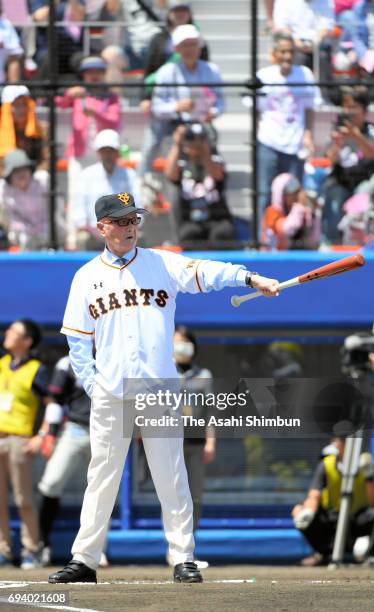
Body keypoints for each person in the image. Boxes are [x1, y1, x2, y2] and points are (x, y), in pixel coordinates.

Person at [48, 191, 280, 584]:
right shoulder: (86, 276)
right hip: (112, 390)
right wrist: (93, 385)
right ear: (101, 227)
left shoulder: (160, 263)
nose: (129, 227)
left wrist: (249, 277)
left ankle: (183, 556)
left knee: (170, 474)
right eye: (120, 221)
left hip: (158, 387)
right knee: (101, 474)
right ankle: (85, 559)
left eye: (134, 220)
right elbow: (76, 341)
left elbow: (206, 270)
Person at [38, 354, 109, 568]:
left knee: (104, 490)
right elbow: (55, 400)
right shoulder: (69, 361)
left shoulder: (117, 355)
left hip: (108, 429)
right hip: (75, 429)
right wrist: (50, 433)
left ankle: (97, 549)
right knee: (50, 483)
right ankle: (44, 543)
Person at [138, 23, 224, 181]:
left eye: (193, 44)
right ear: (176, 48)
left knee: (211, 147)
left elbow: (220, 101)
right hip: (172, 126)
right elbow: (156, 107)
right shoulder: (166, 72)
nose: (190, 49)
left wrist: (214, 112)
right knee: (155, 143)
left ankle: (210, 186)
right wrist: (176, 107)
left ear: (200, 47)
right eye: (185, 45)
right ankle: (143, 179)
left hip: (202, 126)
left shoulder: (212, 70)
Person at [256, 32, 322, 235]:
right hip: (269, 141)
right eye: (283, 51)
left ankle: (292, 238)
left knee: (294, 194)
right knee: (265, 193)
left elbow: (309, 107)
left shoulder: (305, 74)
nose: (287, 56)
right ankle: (264, 239)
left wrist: (308, 134)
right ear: (274, 53)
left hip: (295, 143)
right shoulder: (264, 76)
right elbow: (256, 109)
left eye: (290, 51)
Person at [0, 319, 49, 569]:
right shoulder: (1, 365)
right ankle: (4, 549)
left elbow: (51, 403)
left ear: (27, 341)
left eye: (13, 331)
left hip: (19, 440)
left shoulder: (37, 369)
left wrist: (41, 434)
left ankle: (31, 549)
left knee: (23, 499)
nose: (7, 334)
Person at [292, 436, 374, 566]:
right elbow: (314, 495)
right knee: (299, 511)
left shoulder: (364, 463)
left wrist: (369, 478)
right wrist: (307, 511)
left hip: (357, 521)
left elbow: (371, 501)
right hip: (333, 521)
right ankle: (323, 554)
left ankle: (370, 555)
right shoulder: (326, 465)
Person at [55, 56, 121, 207]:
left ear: (104, 74)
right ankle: (77, 229)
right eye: (89, 72)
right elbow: (57, 102)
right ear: (84, 75)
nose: (94, 76)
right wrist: (68, 93)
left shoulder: (111, 97)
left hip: (103, 155)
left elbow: (114, 121)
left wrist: (96, 114)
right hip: (80, 155)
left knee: (103, 194)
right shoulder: (78, 94)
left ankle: (104, 229)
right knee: (76, 194)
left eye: (98, 71)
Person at [164, 123, 235, 247]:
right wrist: (178, 143)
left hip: (217, 218)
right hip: (191, 220)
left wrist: (204, 149)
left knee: (222, 233)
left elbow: (217, 175)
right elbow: (170, 174)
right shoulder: (181, 163)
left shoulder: (215, 161)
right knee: (189, 234)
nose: (195, 144)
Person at [173, 326, 215, 534]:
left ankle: (189, 542)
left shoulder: (203, 375)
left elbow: (210, 411)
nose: (181, 347)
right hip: (171, 443)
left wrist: (211, 442)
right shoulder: (164, 372)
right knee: (172, 494)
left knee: (195, 494)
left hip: (196, 444)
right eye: (176, 341)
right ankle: (174, 547)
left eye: (184, 342)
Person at [67, 129, 138, 250]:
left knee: (138, 236)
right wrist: (84, 226)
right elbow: (77, 208)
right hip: (93, 233)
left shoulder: (129, 175)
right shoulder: (86, 175)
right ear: (98, 153)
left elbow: (138, 204)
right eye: (104, 151)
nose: (108, 155)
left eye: (111, 151)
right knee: (82, 238)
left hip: (121, 230)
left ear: (117, 152)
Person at [322, 86, 374, 243]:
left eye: (354, 107)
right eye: (347, 107)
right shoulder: (338, 129)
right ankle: (330, 243)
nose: (350, 111)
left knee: (363, 196)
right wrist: (337, 143)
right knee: (335, 197)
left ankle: (362, 242)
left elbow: (371, 154)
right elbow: (329, 160)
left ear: (364, 111)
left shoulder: (369, 130)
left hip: (365, 179)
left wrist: (356, 136)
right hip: (341, 179)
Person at [140, 1, 209, 116]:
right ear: (169, 14)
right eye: (176, 11)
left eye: (184, 11)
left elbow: (205, 69)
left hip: (191, 97)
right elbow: (149, 70)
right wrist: (145, 97)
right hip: (162, 94)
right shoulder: (158, 40)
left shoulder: (199, 40)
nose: (180, 14)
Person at [0, 149, 50, 250]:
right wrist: (27, 229)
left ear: (30, 170)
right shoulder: (3, 190)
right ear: (9, 176)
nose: (21, 174)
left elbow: (55, 211)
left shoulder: (44, 181)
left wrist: (42, 229)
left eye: (24, 169)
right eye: (16, 171)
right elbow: (8, 219)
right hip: (21, 237)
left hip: (49, 232)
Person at [261, 173, 321, 250]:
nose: (296, 196)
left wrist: (313, 213)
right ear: (282, 195)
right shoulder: (272, 212)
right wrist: (299, 206)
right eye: (292, 193)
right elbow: (286, 231)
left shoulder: (302, 211)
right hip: (274, 257)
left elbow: (314, 241)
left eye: (297, 192)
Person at [0, 85, 48, 171]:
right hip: (6, 179)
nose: (22, 109)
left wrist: (28, 178)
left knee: (43, 177)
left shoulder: (42, 128)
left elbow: (46, 160)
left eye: (24, 104)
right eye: (17, 105)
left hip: (31, 179)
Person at [0, 2, 24, 86]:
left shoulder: (6, 24)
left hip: (1, 83)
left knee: (14, 58)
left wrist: (12, 88)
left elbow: (14, 53)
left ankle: (13, 90)